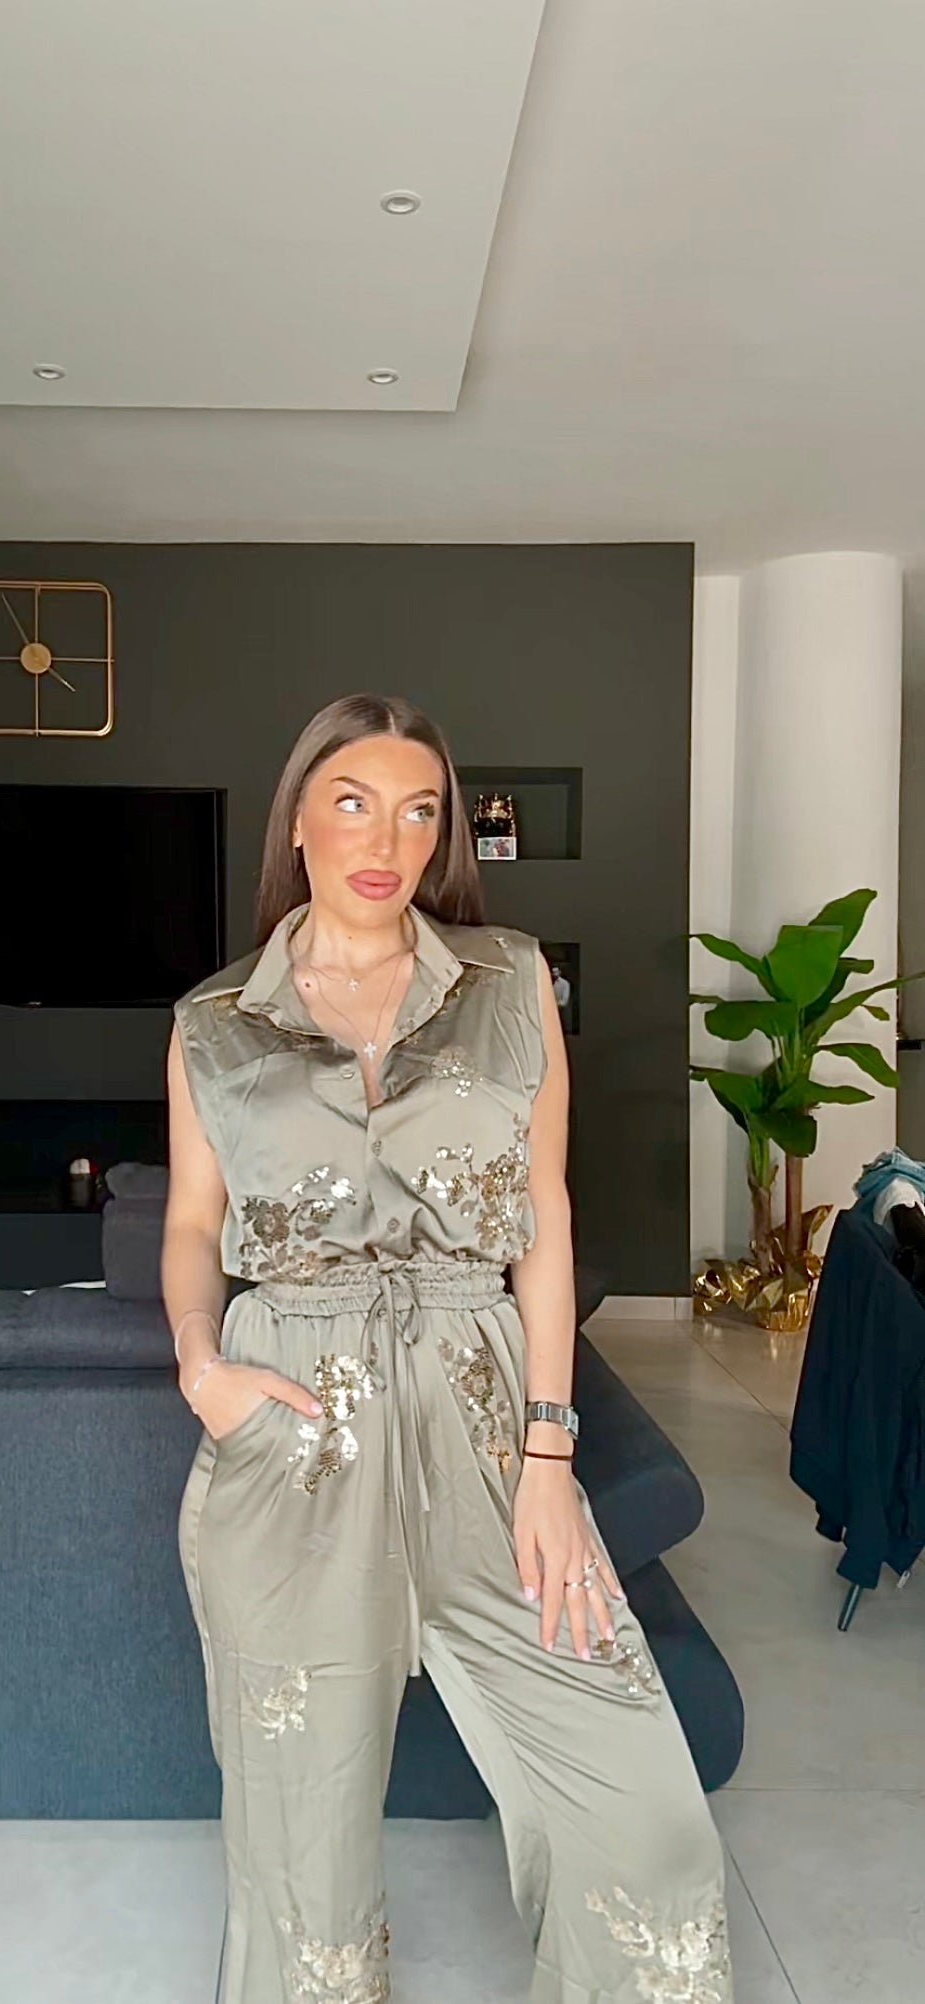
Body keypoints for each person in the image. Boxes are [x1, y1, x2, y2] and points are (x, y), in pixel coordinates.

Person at [162, 693, 732, 2003]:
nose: (388, 840)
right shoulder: (213, 1022)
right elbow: (192, 1223)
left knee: (642, 1817)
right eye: (354, 802)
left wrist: (550, 1453)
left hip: (484, 1421)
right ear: (298, 822)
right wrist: (201, 1365)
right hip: (293, 1431)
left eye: (419, 811)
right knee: (299, 1855)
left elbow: (544, 1218)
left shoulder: (508, 982)